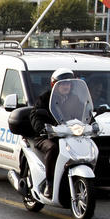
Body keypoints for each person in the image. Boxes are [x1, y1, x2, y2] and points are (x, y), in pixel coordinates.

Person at [31, 68, 75, 197]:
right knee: (53, 148)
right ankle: (49, 183)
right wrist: (42, 128)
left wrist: (92, 124)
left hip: (68, 135)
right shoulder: (45, 98)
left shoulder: (75, 99)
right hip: (47, 136)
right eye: (62, 84)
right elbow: (35, 114)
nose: (66, 86)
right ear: (54, 84)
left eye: (68, 83)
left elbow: (84, 112)